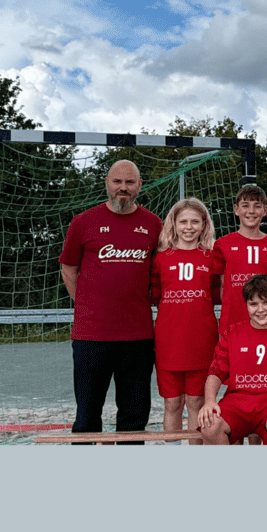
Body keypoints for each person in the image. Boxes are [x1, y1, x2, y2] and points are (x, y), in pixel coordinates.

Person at [58, 160, 159, 443]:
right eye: (117, 182)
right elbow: (69, 268)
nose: (123, 188)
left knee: (134, 416)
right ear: (107, 183)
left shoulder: (153, 224)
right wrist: (88, 305)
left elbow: (159, 272)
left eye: (130, 182)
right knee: (88, 414)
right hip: (92, 335)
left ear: (139, 185)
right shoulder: (83, 222)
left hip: (137, 336)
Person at [197, 275, 267, 445]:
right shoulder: (232, 332)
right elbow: (215, 372)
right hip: (237, 402)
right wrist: (209, 401)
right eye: (253, 304)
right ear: (246, 304)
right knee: (209, 425)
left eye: (266, 302)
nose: (260, 310)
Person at [150, 197, 218, 440]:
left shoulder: (212, 256)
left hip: (201, 340)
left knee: (197, 402)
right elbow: (156, 295)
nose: (189, 227)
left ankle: (195, 456)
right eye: (183, 222)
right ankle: (172, 455)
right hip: (169, 341)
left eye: (195, 222)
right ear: (174, 224)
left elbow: (217, 294)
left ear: (204, 225)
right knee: (172, 403)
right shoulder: (160, 258)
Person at [212, 184, 267, 333]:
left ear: (265, 210)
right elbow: (221, 288)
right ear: (236, 209)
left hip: (264, 322)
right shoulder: (222, 244)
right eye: (245, 205)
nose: (251, 211)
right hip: (232, 324)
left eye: (257, 206)